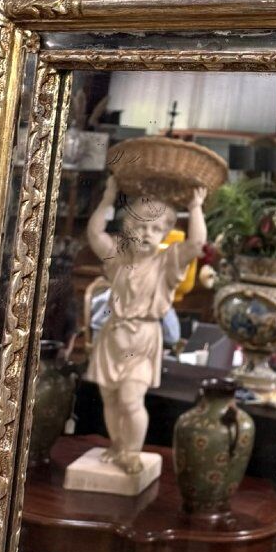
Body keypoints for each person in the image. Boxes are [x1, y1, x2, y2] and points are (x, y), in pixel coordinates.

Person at [85, 173, 207, 474]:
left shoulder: (168, 262)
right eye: (139, 226)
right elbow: (95, 233)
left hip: (142, 338)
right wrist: (108, 198)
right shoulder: (119, 257)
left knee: (130, 398)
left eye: (155, 228)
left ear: (165, 232)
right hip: (113, 336)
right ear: (128, 228)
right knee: (110, 397)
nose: (146, 233)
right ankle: (117, 446)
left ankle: (132, 452)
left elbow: (197, 243)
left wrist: (195, 208)